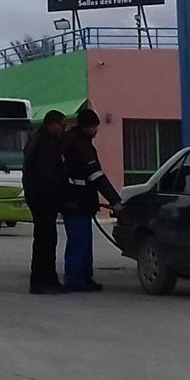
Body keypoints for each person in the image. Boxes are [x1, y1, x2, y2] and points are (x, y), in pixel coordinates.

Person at [58, 104, 122, 292]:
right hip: (77, 201)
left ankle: (84, 277)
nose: (96, 131)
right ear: (85, 126)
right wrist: (115, 201)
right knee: (80, 241)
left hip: (75, 200)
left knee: (82, 241)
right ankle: (76, 279)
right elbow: (96, 176)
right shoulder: (80, 145)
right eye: (94, 127)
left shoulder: (70, 140)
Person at [22, 110, 74, 293]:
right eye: (62, 125)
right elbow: (47, 175)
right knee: (44, 240)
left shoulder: (40, 140)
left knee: (48, 239)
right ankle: (40, 281)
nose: (64, 128)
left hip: (41, 198)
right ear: (53, 124)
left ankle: (49, 279)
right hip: (43, 199)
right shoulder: (45, 143)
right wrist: (58, 197)